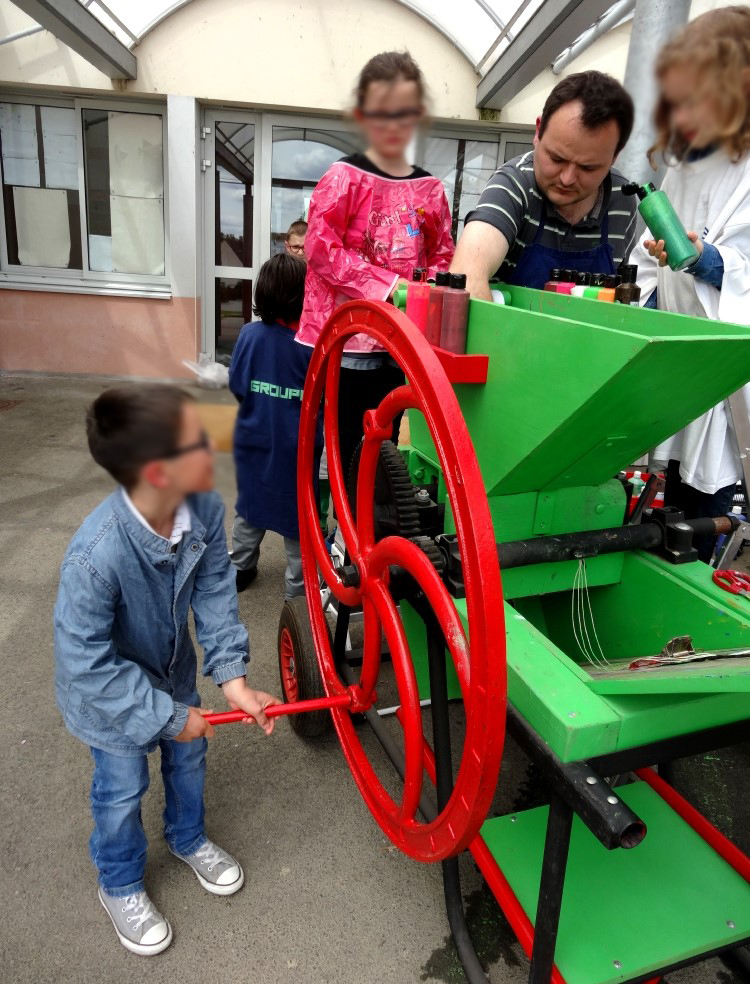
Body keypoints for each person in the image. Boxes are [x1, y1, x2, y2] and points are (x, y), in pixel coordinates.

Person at [54, 385, 281, 956]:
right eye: (196, 443)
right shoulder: (94, 557)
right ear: (157, 473)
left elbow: (214, 589)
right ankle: (120, 882)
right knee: (121, 788)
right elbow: (86, 664)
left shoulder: (200, 506)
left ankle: (187, 837)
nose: (212, 449)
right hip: (108, 700)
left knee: (190, 755)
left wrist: (232, 678)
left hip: (171, 669)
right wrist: (167, 716)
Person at [298, 50, 454, 480]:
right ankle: (345, 531)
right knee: (349, 437)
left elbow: (442, 255)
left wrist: (422, 295)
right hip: (354, 339)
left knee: (387, 433)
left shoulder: (431, 189)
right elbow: (320, 246)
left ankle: (369, 523)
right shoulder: (343, 177)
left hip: (403, 337)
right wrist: (385, 286)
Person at [630, 6, 750, 561]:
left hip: (730, 391)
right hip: (680, 377)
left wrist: (712, 263)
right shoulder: (680, 166)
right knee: (669, 506)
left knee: (714, 509)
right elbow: (649, 261)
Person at [451, 71, 638, 297]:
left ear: (615, 156)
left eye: (588, 168)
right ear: (538, 131)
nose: (567, 179)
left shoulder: (622, 200)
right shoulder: (514, 186)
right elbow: (466, 277)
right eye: (557, 158)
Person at [229, 253, 321, 596]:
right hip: (296, 456)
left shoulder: (248, 336)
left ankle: (241, 567)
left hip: (253, 445)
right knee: (299, 525)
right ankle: (297, 592)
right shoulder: (311, 346)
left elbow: (237, 387)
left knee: (248, 511)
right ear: (303, 297)